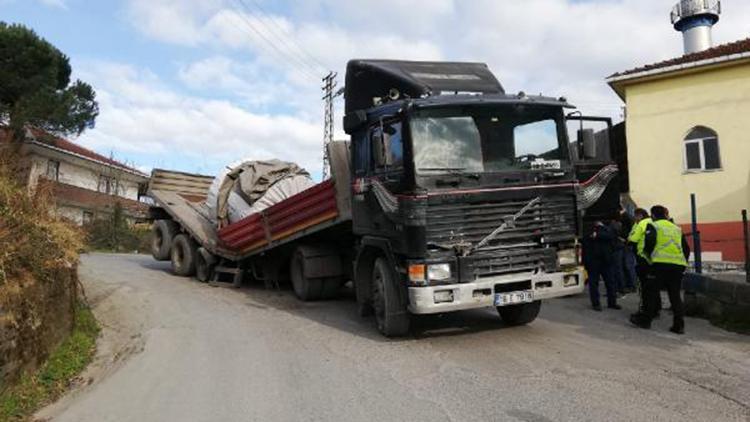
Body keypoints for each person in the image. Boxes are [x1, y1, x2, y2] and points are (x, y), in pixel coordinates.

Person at [630, 206, 690, 334]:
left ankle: (645, 321)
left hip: (659, 264)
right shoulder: (677, 228)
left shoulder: (654, 226)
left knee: (650, 292)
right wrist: (683, 263)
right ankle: (679, 325)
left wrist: (649, 259)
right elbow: (686, 249)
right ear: (666, 214)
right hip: (677, 266)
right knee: (675, 296)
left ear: (653, 215)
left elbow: (649, 244)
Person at [583, 220, 620, 311]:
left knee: (607, 282)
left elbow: (611, 236)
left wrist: (597, 235)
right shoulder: (589, 231)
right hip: (597, 261)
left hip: (602, 261)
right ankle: (602, 303)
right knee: (600, 283)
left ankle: (606, 303)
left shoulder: (606, 230)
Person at [627, 208, 657, 315]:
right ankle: (656, 309)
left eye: (635, 216)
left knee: (644, 286)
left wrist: (629, 238)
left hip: (643, 257)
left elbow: (633, 239)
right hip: (655, 258)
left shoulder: (642, 224)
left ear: (640, 215)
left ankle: (645, 310)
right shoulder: (654, 222)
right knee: (654, 285)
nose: (635, 218)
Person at [619, 207, 637, 293]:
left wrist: (626, 240)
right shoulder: (628, 217)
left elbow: (631, 231)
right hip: (626, 244)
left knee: (628, 265)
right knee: (626, 265)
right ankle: (630, 285)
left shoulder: (627, 217)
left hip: (627, 244)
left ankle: (632, 285)